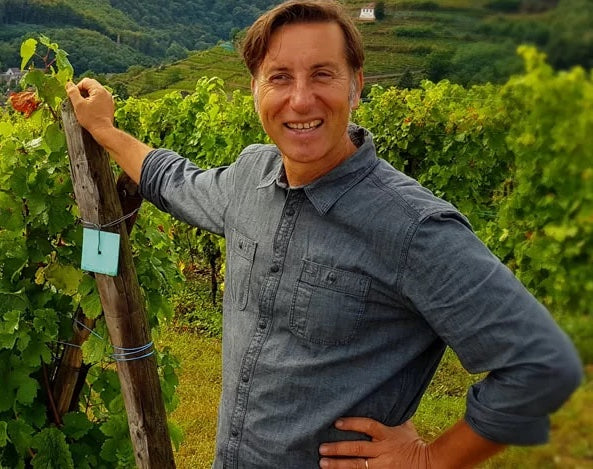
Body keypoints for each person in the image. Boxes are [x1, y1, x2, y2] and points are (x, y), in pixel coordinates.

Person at [66, 1, 583, 467]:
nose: (300, 99)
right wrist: (105, 130)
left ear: (357, 85)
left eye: (322, 74)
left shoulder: (412, 227)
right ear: (254, 88)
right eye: (279, 77)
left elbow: (542, 365)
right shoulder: (250, 178)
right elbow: (175, 180)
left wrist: (430, 461)